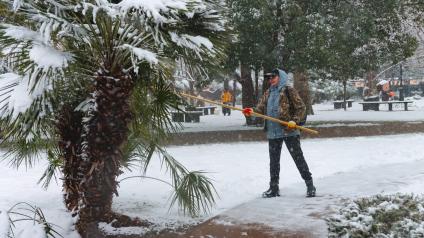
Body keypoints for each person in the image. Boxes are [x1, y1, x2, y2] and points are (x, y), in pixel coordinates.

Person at [242, 69, 316, 198]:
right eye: (269, 78)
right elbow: (259, 108)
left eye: (273, 77)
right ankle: (274, 188)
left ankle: (310, 185)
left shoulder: (288, 90)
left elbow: (301, 108)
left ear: (280, 77)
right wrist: (251, 111)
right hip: (273, 132)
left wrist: (294, 120)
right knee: (274, 162)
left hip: (288, 131)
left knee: (298, 158)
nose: (270, 80)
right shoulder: (268, 92)